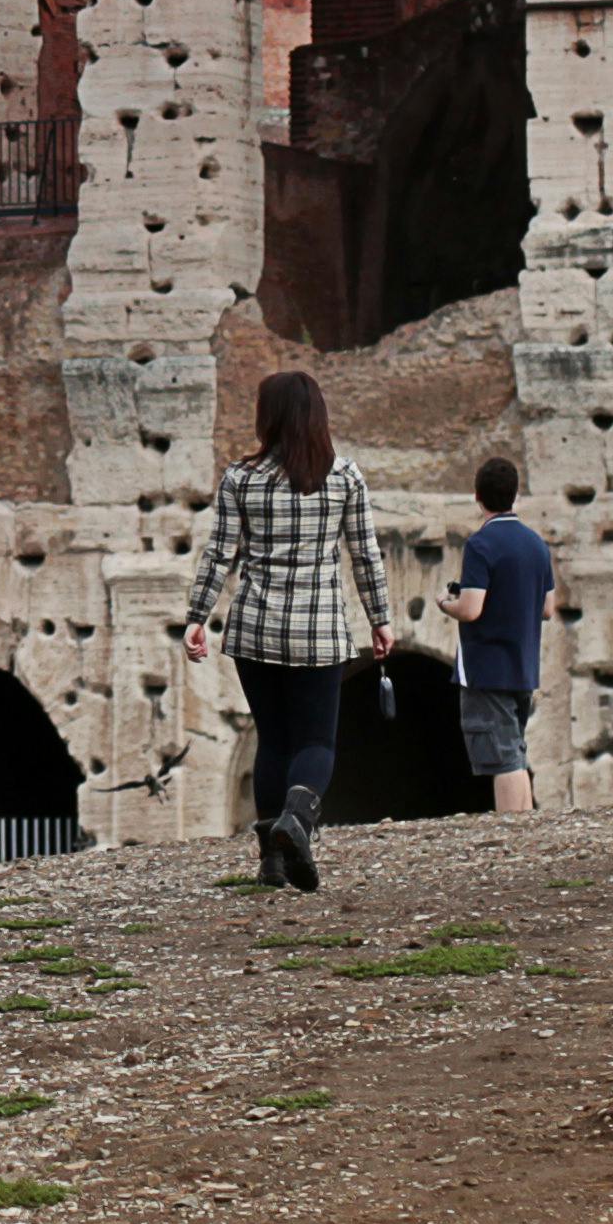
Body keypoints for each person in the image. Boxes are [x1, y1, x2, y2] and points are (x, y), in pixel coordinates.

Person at [180, 367, 392, 892]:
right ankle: (297, 820)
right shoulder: (345, 477)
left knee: (272, 739)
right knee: (316, 739)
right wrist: (380, 618)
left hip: (255, 628)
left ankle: (270, 862)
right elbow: (365, 555)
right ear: (318, 417)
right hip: (319, 628)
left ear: (267, 417)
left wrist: (196, 616)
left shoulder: (241, 478)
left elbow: (219, 553)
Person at [441, 456, 556, 813]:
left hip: (487, 665)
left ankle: (509, 828)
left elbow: (471, 608)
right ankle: (522, 824)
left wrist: (446, 603)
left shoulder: (481, 544)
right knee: (515, 750)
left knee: (502, 757)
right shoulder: (536, 544)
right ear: (515, 495)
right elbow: (548, 608)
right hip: (523, 664)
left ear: (478, 496)